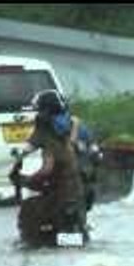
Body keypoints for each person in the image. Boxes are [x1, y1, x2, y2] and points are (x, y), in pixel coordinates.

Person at [9, 89, 86, 247]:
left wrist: (25, 180)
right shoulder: (74, 126)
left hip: (60, 193)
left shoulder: (48, 137)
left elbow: (46, 170)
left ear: (45, 112)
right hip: (79, 192)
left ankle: (33, 240)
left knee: (29, 209)